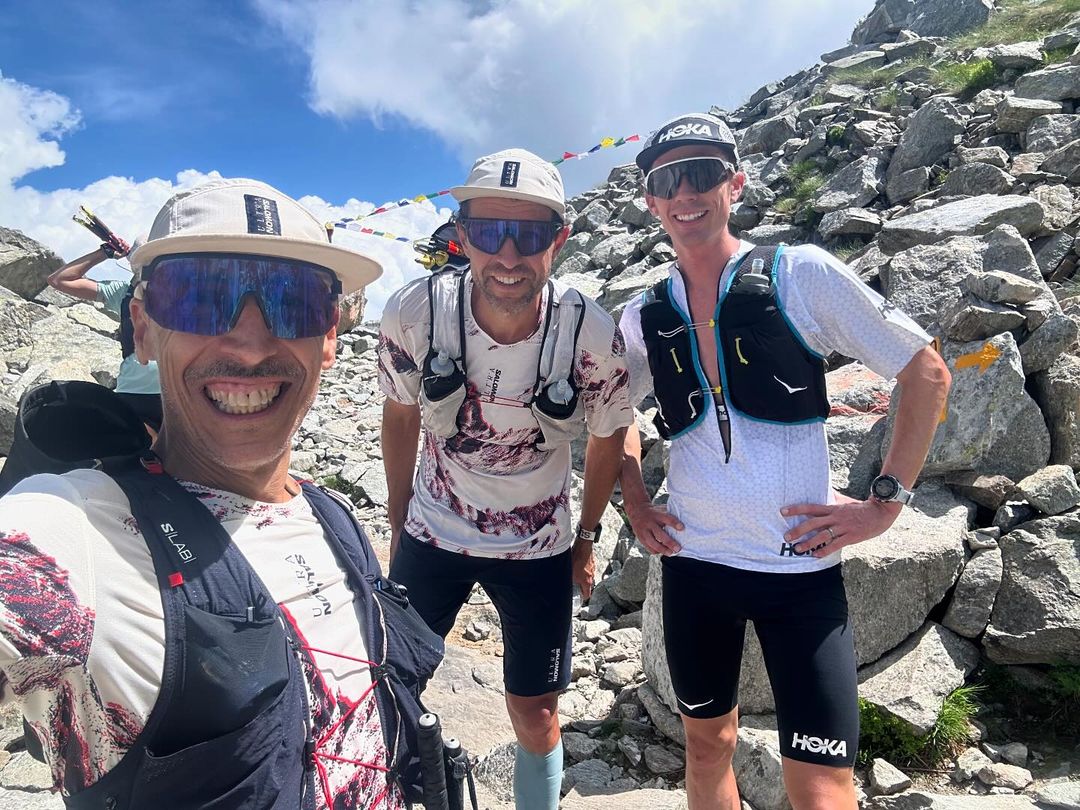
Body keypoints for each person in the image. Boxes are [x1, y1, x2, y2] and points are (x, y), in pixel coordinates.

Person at [0, 178, 443, 809]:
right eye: (201, 298)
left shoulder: (331, 516)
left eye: (294, 302)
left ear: (329, 338)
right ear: (144, 330)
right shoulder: (84, 534)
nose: (251, 342)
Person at [618, 113, 951, 810]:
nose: (686, 193)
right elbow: (608, 415)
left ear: (734, 183)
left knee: (824, 786)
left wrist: (885, 503)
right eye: (666, 180)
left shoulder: (801, 274)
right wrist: (635, 501)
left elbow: (924, 372)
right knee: (707, 748)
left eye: (703, 174)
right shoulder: (642, 315)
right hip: (696, 569)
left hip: (800, 574)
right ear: (650, 201)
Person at [378, 148, 633, 810]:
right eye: (490, 233)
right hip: (432, 535)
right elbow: (401, 413)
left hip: (539, 550)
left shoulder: (590, 334)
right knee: (388, 689)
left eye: (532, 235)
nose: (510, 256)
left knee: (537, 716)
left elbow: (608, 435)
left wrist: (586, 537)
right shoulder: (414, 313)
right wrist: (400, 515)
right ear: (461, 236)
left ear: (562, 239)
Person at [47, 237, 163, 432]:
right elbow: (59, 280)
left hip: (176, 392)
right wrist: (104, 252)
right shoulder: (123, 292)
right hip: (134, 394)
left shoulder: (185, 290)